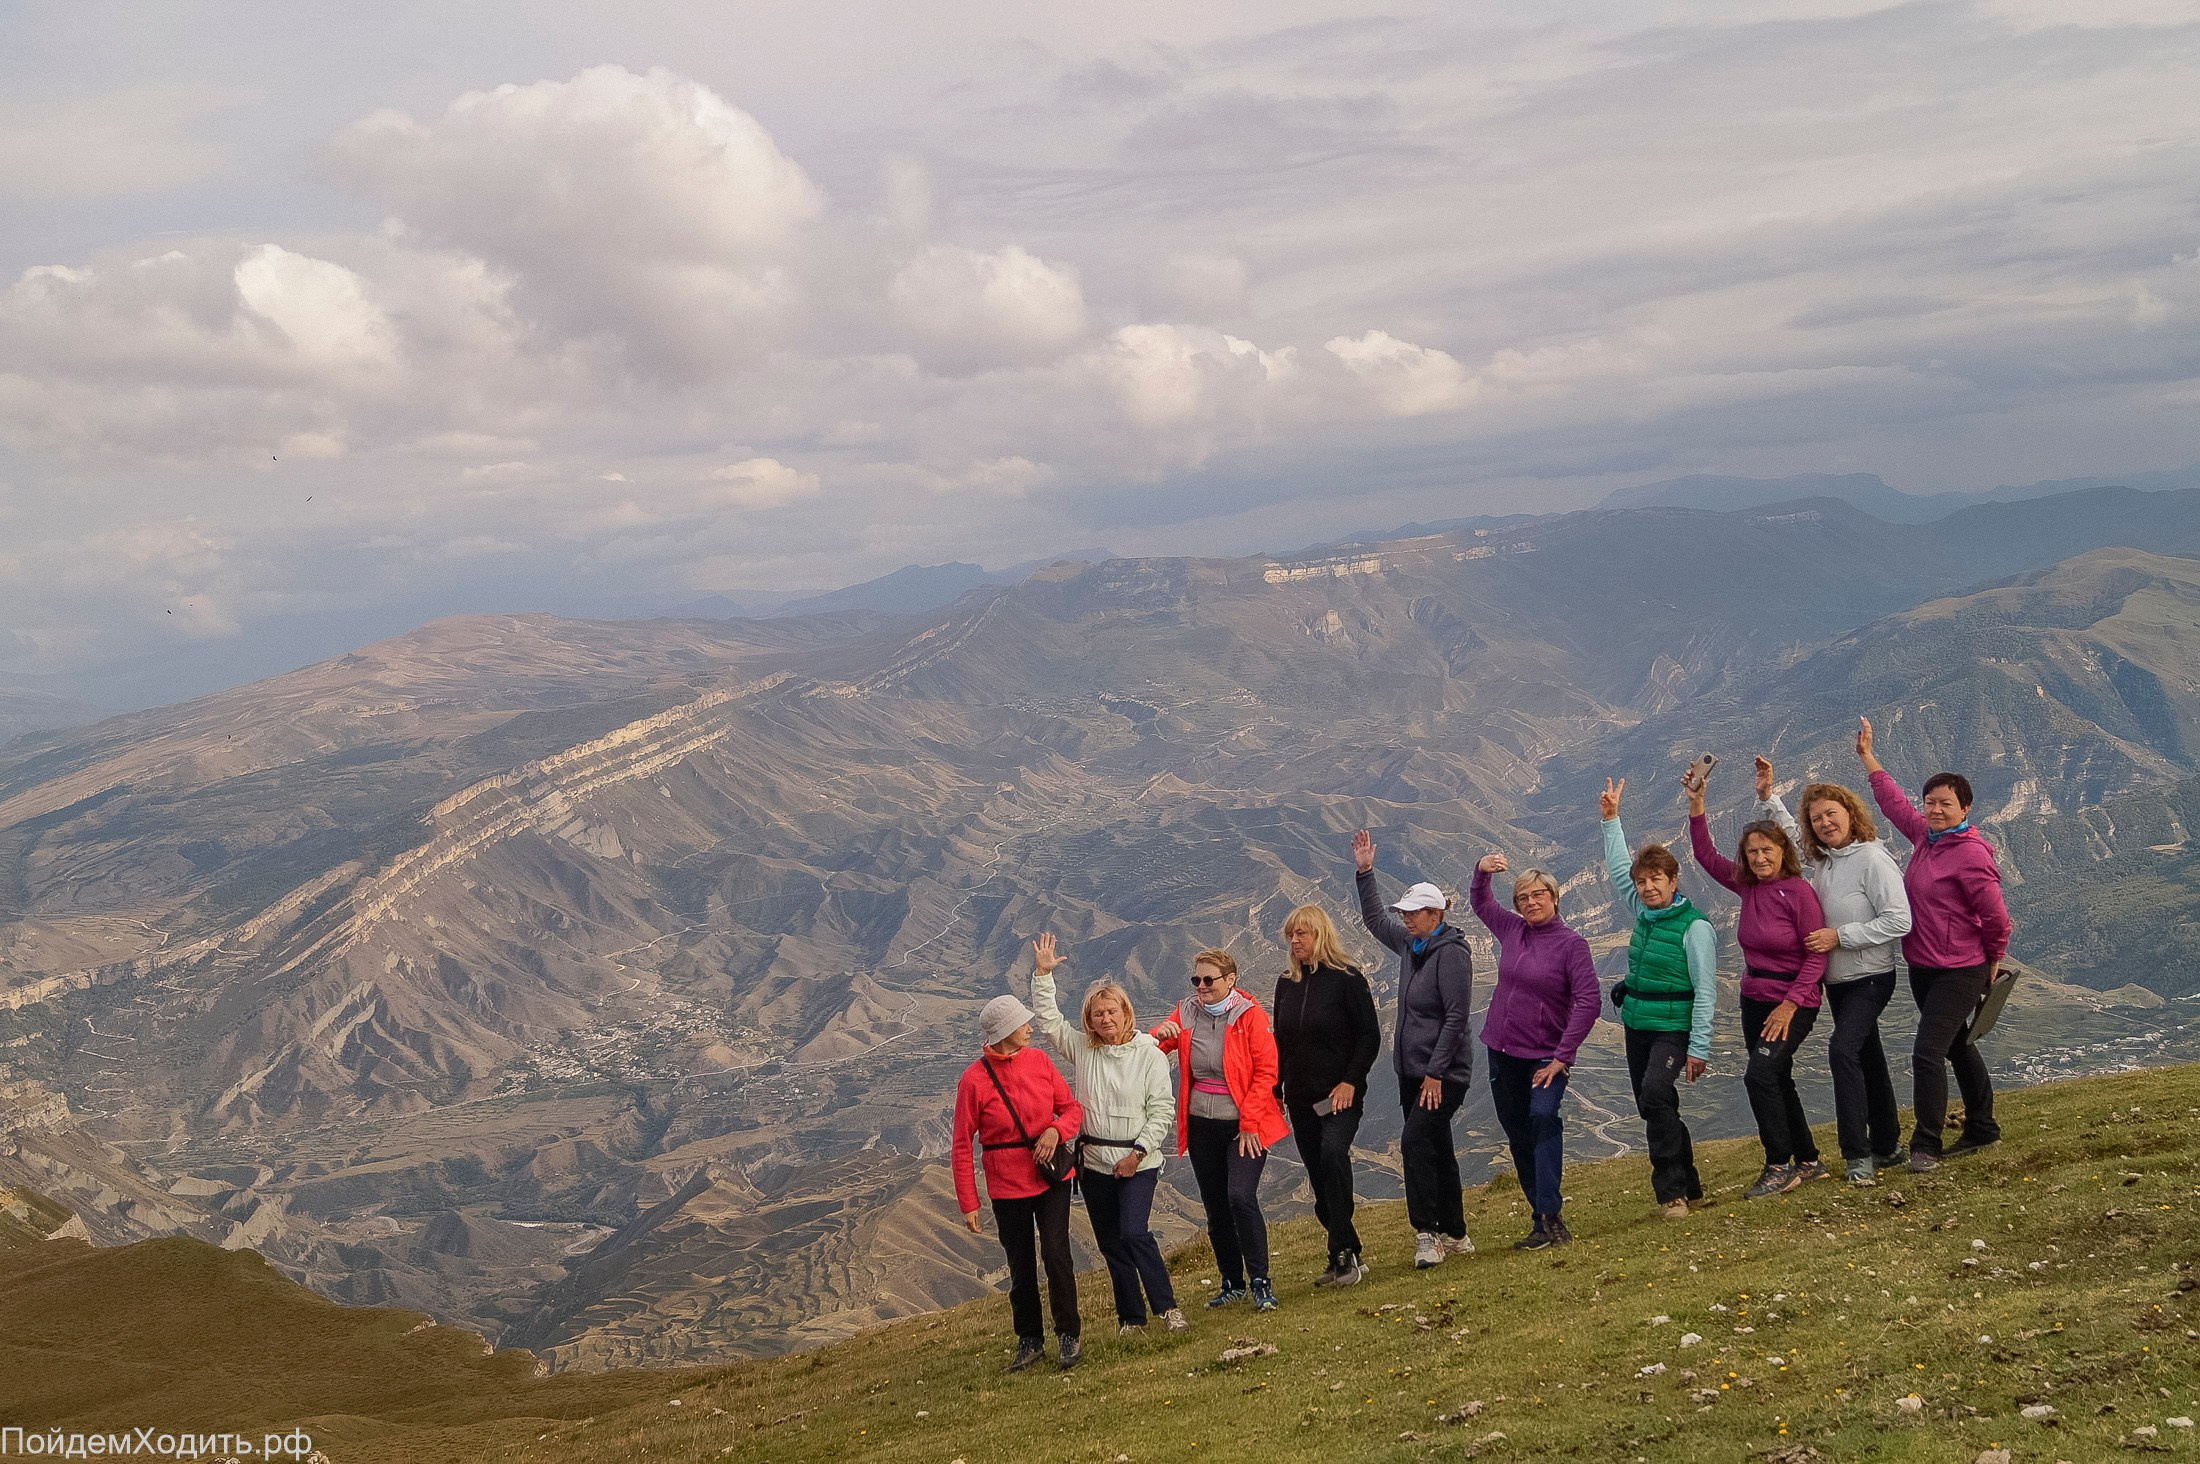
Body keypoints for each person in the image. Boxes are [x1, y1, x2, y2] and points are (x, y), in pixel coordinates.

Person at [1857, 716, 2012, 1173]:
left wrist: (1992, 961)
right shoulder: (1926, 836)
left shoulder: (1971, 855)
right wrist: (1868, 757)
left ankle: (1927, 1145)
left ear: (1966, 808)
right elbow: (1892, 804)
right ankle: (1983, 1128)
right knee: (1958, 1045)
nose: (1935, 809)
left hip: (1960, 968)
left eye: (1946, 803)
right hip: (1924, 967)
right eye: (1930, 802)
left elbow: (1997, 917)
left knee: (1927, 1052)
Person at [1755, 755, 1914, 1185]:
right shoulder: (1825, 861)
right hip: (1839, 983)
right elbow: (1789, 834)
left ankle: (1857, 1155)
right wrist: (1770, 798)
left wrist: (1840, 936)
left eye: (1832, 814)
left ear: (1850, 814)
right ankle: (1888, 1144)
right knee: (1869, 1056)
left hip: (1870, 977)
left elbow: (1900, 919)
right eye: (1817, 817)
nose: (1825, 822)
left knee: (1842, 1051)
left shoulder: (1872, 861)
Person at [1026, 934, 1185, 1334]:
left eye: (1111, 1011)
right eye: (1097, 1014)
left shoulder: (1148, 1053)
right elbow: (1048, 1023)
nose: (1105, 1020)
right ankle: (1131, 1318)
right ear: (1089, 1019)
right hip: (1093, 1164)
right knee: (1112, 1244)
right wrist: (1043, 975)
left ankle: (1167, 1309)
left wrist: (1138, 1154)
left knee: (1134, 1233)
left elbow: (1162, 1110)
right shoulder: (1083, 1048)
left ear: (1125, 1012)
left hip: (1139, 1160)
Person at [1685, 764, 1831, 1198]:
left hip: (1793, 999)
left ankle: (1777, 1164)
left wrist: (1791, 1005)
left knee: (1759, 1076)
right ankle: (1809, 1160)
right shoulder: (1748, 888)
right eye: (1752, 854)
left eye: (1767, 851)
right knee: (1777, 1075)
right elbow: (1705, 855)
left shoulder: (1799, 893)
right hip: (1754, 998)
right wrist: (1697, 804)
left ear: (1782, 851)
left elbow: (1816, 955)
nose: (1760, 858)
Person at [1352, 830, 1476, 1267]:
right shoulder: (1412, 945)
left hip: (1441, 1074)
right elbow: (1373, 921)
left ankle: (1427, 1234)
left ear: (1434, 913)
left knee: (1414, 1143)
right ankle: (1457, 1234)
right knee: (1436, 1146)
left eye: (1411, 913)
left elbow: (1457, 1018)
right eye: (1403, 912)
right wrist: (1365, 872)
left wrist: (1436, 1072)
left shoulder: (1452, 955)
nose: (1403, 919)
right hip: (1412, 1071)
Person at [1468, 852, 1600, 1248]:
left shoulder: (1572, 945)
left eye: (1538, 894)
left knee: (1543, 1120)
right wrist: (1480, 872)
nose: (1530, 902)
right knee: (1518, 1134)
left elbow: (1589, 1001)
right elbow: (1481, 904)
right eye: (1523, 897)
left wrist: (1562, 1057)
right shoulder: (1513, 930)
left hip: (1544, 1058)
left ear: (1555, 898)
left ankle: (1550, 1212)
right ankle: (1541, 1221)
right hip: (1502, 1052)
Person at [1598, 777, 1716, 1219]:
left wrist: (1699, 1047)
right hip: (1637, 1021)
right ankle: (1692, 1185)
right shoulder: (1643, 912)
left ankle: (1672, 1194)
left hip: (1672, 1026)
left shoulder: (1695, 928)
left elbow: (1705, 990)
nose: (1648, 887)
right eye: (1643, 881)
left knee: (1654, 1092)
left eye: (1656, 880)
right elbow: (1615, 872)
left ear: (1673, 881)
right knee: (1654, 1104)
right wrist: (1611, 820)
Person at [951, 993, 1085, 1371]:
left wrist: (1057, 1132)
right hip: (1006, 1185)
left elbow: (1071, 1109)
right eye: (1023, 1023)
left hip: (1051, 1177)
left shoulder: (1040, 1061)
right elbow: (961, 1144)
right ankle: (1029, 1339)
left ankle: (1068, 1334)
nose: (1030, 1028)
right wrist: (969, 1202)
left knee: (1057, 1255)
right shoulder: (974, 1080)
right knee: (1020, 1264)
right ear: (1005, 1031)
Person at [1152, 951, 1290, 1312]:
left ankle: (1260, 1281)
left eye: (1208, 980)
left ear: (1230, 980)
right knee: (1215, 1206)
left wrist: (1248, 1124)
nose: (1201, 987)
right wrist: (1158, 1036)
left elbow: (1266, 1072)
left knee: (1241, 1197)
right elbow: (1154, 1047)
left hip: (1245, 1125)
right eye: (1196, 980)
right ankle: (1232, 1282)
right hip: (1201, 1124)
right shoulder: (1185, 1013)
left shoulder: (1250, 1017)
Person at [1271, 905, 1381, 1285]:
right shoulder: (1286, 984)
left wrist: (1351, 1080)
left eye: (1302, 934)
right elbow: (1280, 1041)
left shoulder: (1348, 979)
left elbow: (1370, 1035)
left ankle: (1342, 1255)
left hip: (1340, 1095)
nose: (1295, 941)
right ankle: (1348, 1250)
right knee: (1319, 1178)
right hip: (1301, 1098)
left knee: (1334, 1155)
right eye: (1291, 935)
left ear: (1321, 935)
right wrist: (1277, 1088)